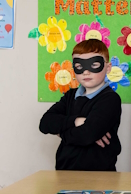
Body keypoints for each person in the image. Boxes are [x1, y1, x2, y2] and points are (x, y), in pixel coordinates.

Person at [39, 39, 122, 171]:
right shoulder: (70, 96)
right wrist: (76, 121)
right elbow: (45, 123)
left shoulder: (110, 99)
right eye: (79, 66)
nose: (86, 72)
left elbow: (87, 135)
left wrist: (60, 132)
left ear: (108, 67)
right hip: (65, 172)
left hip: (99, 175)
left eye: (94, 65)